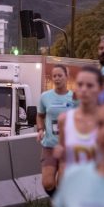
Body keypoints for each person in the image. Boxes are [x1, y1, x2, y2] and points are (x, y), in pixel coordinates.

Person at [37, 65, 75, 197]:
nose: (57, 79)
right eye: (54, 76)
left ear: (66, 77)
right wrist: (40, 129)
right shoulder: (45, 97)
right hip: (49, 145)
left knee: (62, 182)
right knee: (48, 183)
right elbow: (40, 115)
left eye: (60, 75)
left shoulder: (75, 98)